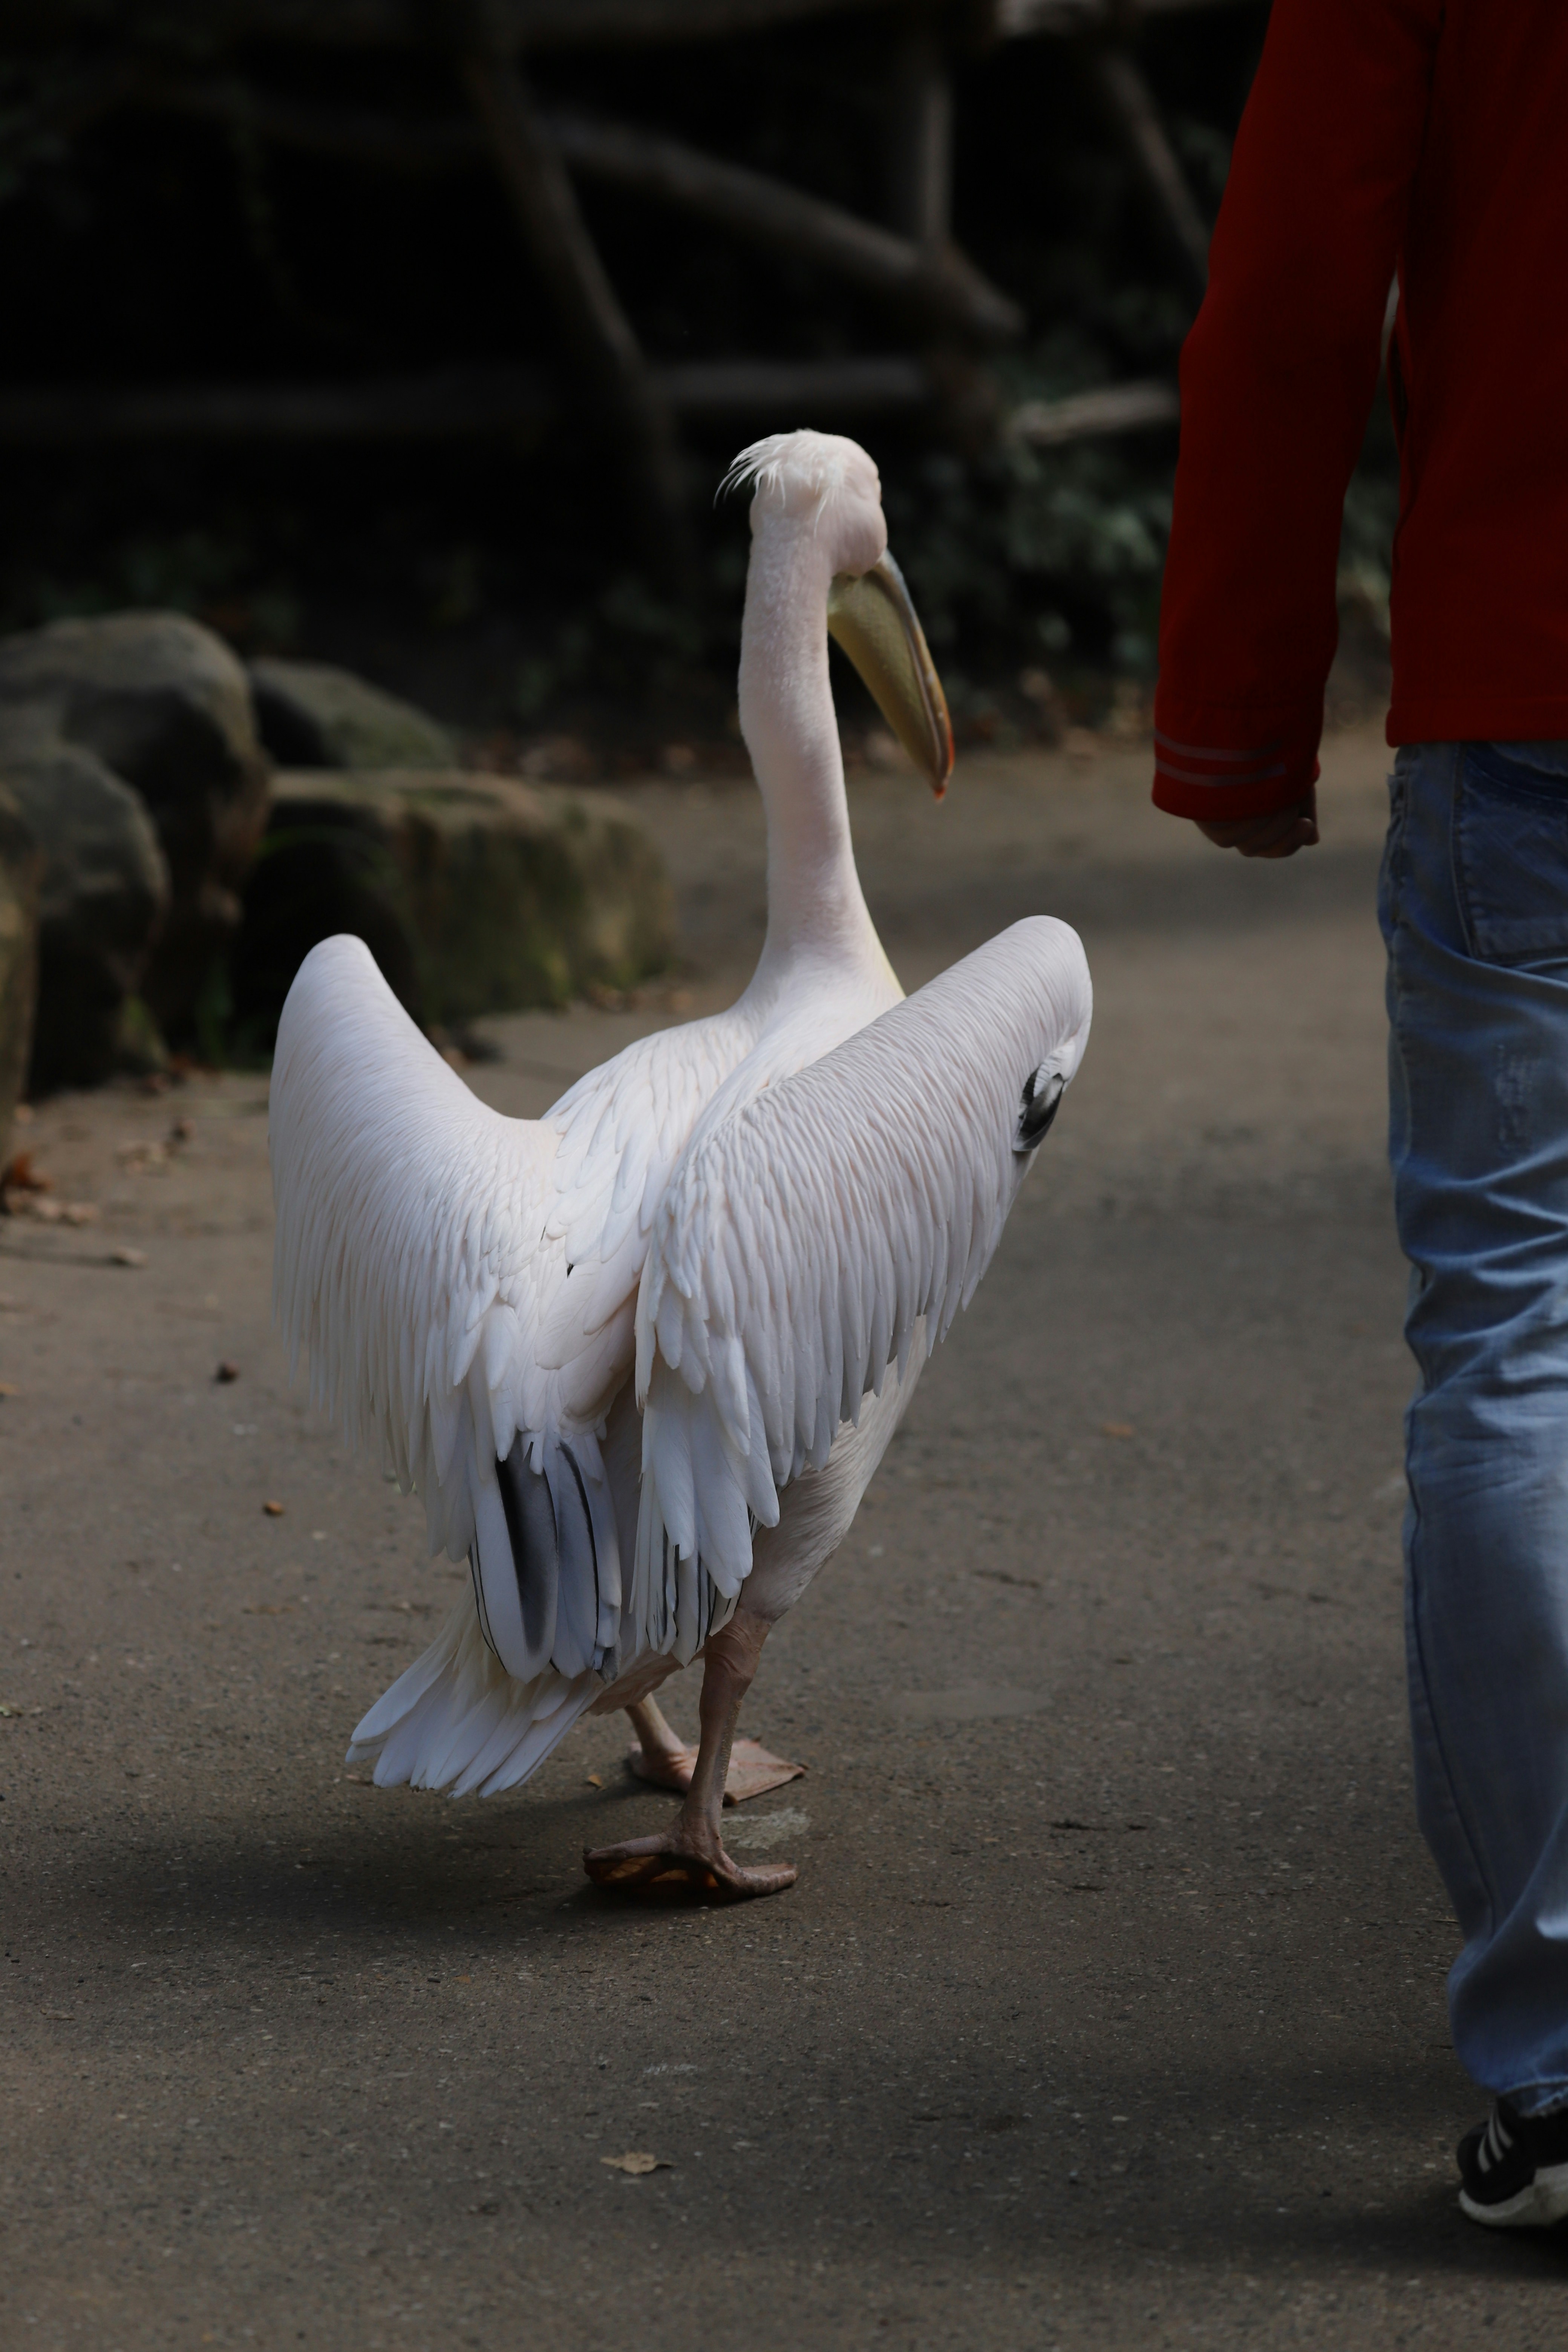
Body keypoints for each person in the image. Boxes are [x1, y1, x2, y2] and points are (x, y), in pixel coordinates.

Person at [1150, 0, 1568, 2228]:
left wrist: (1235, 719)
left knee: (1518, 1334)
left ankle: (1566, 2067)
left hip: (1531, 698)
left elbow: (1300, 293)